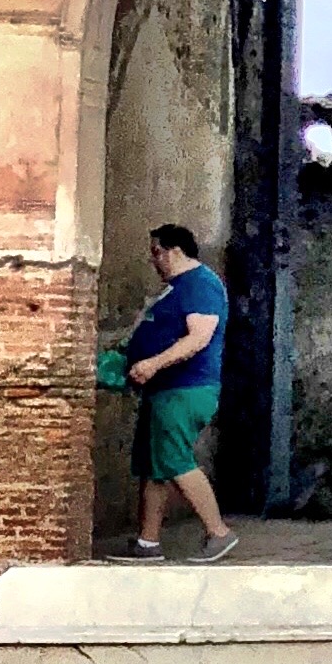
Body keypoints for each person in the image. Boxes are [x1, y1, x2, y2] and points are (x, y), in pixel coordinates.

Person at [116, 223, 236, 563]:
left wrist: (153, 363)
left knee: (174, 459)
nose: (154, 262)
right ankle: (148, 542)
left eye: (156, 253)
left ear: (175, 251)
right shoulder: (177, 288)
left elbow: (198, 338)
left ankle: (219, 532)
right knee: (155, 465)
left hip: (185, 389)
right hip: (165, 389)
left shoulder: (201, 285)